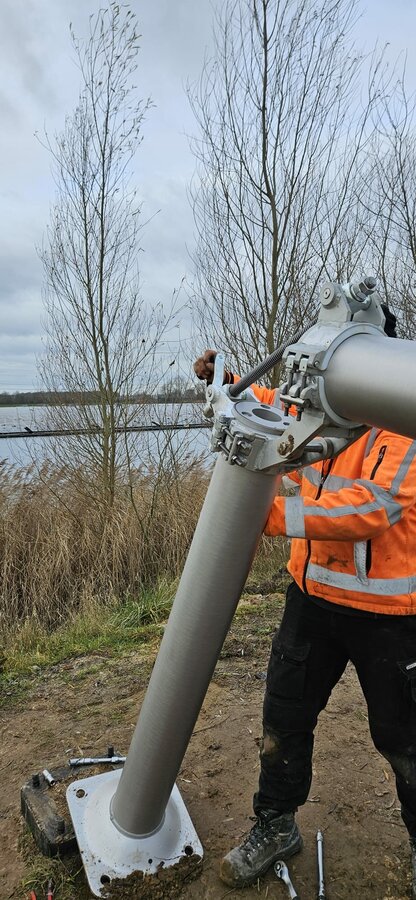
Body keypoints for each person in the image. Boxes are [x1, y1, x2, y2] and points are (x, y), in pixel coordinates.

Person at [193, 306, 416, 897]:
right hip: (313, 597)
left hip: (391, 619)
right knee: (285, 716)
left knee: (404, 738)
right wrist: (227, 379)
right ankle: (276, 823)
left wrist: (264, 514)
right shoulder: (324, 405)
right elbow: (272, 399)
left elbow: (374, 509)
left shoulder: (409, 425)